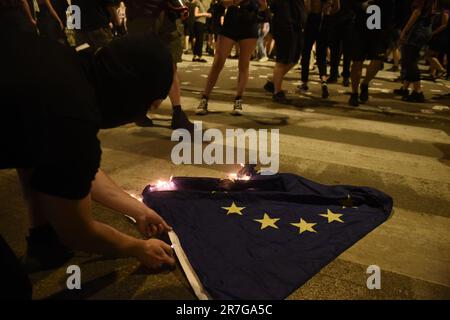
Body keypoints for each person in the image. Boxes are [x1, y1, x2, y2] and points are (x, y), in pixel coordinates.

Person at [1, 24, 177, 295]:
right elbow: (77, 231)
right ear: (134, 96)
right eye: (149, 106)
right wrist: (137, 247)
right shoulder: (71, 116)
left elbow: (76, 168)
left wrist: (137, 209)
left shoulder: (63, 61)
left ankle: (44, 243)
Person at [126, 0, 195, 133]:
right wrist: (180, 7)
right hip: (163, 17)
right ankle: (177, 112)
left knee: (143, 66)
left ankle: (140, 110)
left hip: (137, 18)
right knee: (170, 66)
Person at [196, 0, 270, 116]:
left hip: (250, 26)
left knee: (244, 64)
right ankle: (205, 98)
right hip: (231, 23)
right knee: (218, 62)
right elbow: (222, 2)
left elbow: (263, 8)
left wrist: (263, 5)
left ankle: (238, 100)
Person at [348, 0, 395, 107]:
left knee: (377, 62)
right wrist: (361, 7)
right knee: (357, 62)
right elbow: (351, 4)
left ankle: (365, 83)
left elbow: (392, 11)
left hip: (379, 32)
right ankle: (354, 93)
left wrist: (390, 33)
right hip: (359, 30)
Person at [263, 0, 306, 103]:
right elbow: (272, 5)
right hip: (285, 25)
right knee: (282, 60)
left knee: (294, 58)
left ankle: (273, 82)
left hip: (296, 26)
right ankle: (277, 92)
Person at [393, 0, 435, 102]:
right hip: (424, 29)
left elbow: (417, 12)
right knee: (410, 59)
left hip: (417, 30)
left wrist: (404, 31)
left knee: (409, 60)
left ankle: (418, 91)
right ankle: (405, 88)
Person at [300, 0, 340, 99]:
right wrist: (329, 12)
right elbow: (337, 7)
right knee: (321, 55)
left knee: (306, 52)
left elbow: (307, 6)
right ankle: (323, 81)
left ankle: (304, 82)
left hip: (312, 19)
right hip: (326, 20)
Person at [328, 0, 354, 86]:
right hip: (342, 20)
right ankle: (340, 75)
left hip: (344, 20)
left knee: (340, 51)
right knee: (340, 51)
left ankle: (339, 75)